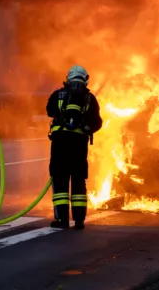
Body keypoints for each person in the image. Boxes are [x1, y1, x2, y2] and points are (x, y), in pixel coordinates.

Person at [46, 64, 103, 229]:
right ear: (85, 79)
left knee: (60, 180)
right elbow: (98, 122)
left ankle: (62, 220)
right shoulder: (89, 98)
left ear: (68, 79)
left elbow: (49, 111)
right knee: (78, 181)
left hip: (60, 143)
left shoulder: (58, 94)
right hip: (79, 146)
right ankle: (79, 221)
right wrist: (88, 127)